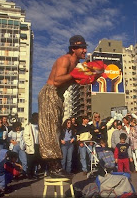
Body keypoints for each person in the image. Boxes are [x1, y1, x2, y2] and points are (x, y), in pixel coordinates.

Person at [38, 35, 88, 178]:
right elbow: (57, 80)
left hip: (58, 96)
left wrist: (89, 76)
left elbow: (71, 81)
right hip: (50, 93)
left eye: (85, 47)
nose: (85, 50)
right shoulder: (64, 60)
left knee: (56, 130)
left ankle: (56, 166)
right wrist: (75, 75)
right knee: (50, 130)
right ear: (74, 48)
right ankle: (54, 168)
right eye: (82, 48)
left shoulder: (75, 64)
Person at [23, 112, 44, 179]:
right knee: (30, 161)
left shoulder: (39, 126)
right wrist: (29, 144)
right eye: (35, 117)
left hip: (38, 145)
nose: (36, 119)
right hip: (31, 146)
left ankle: (34, 173)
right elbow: (26, 136)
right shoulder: (28, 126)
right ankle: (29, 174)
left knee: (36, 161)